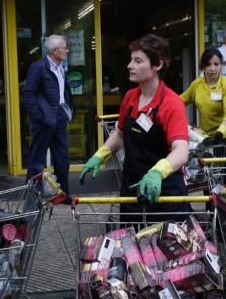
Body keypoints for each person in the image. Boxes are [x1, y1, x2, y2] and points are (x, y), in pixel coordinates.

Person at [79, 34, 190, 218]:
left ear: (158, 65)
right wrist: (101, 155)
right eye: (131, 60)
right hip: (131, 190)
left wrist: (157, 172)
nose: (130, 66)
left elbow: (181, 151)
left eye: (138, 61)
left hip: (164, 195)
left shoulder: (171, 103)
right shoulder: (130, 97)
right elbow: (120, 133)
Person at [22, 34, 74, 196]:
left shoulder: (60, 67)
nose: (67, 50)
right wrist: (38, 115)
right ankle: (32, 196)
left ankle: (62, 194)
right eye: (65, 48)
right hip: (43, 119)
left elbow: (63, 91)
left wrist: (68, 110)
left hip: (59, 116)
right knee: (37, 159)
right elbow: (28, 93)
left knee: (62, 157)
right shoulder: (38, 67)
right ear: (54, 50)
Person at [180, 48, 226, 157]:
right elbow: (181, 100)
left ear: (221, 65)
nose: (212, 68)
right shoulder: (197, 84)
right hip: (207, 138)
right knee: (211, 173)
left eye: (216, 64)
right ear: (203, 66)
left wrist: (221, 131)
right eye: (208, 64)